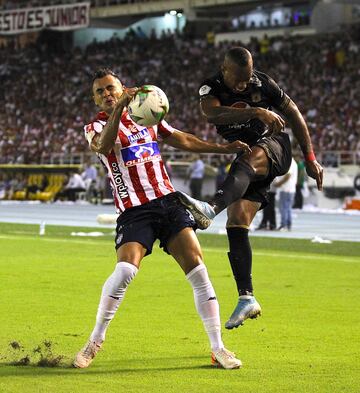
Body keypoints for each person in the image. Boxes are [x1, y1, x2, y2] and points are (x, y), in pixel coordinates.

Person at [73, 68, 251, 370]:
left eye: (110, 88)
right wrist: (118, 108)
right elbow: (104, 146)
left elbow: (181, 139)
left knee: (199, 271)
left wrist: (222, 148)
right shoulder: (96, 126)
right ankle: (95, 341)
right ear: (95, 100)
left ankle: (218, 348)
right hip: (134, 210)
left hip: (168, 202)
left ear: (123, 87)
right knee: (125, 271)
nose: (106, 94)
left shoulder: (146, 116)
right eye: (100, 92)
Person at [178, 47, 324, 330]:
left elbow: (294, 115)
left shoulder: (263, 83)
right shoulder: (211, 88)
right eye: (240, 79)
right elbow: (213, 115)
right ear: (225, 70)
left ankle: (211, 208)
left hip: (275, 147)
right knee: (237, 221)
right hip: (250, 158)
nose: (246, 84)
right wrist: (258, 110)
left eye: (248, 78)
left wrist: (310, 159)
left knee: (248, 158)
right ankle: (247, 297)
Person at [274, 157, 298, 231]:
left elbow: (288, 175)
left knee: (283, 208)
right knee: (288, 208)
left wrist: (279, 183)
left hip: (286, 188)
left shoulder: (290, 162)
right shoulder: (294, 163)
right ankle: (288, 225)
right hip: (291, 189)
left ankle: (284, 225)